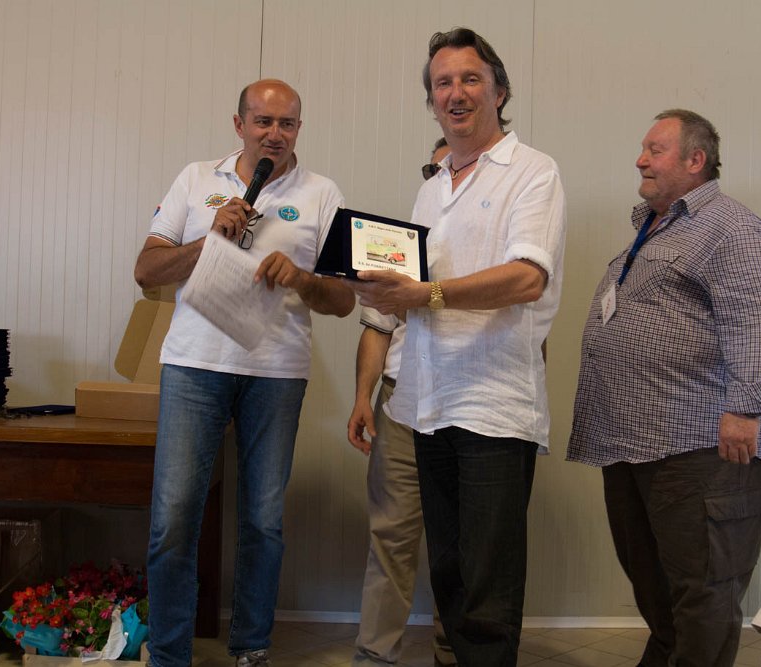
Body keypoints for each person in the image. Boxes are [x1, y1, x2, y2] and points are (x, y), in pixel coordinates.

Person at [350, 28, 567, 667]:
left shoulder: (534, 171)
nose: (456, 92)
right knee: (448, 578)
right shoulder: (433, 186)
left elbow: (527, 278)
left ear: (499, 91)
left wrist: (425, 294)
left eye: (471, 79)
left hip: (493, 407)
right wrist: (380, 289)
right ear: (432, 101)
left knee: (486, 589)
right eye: (442, 83)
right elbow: (411, 292)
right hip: (425, 404)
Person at [134, 79, 355, 667]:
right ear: (239, 125)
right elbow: (147, 269)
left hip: (276, 373)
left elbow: (343, 301)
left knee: (263, 520)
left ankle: (251, 647)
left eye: (287, 124)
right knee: (174, 518)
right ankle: (169, 655)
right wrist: (209, 239)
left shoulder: (322, 194)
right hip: (194, 366)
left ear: (299, 129)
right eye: (263, 121)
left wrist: (302, 278)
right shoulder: (195, 179)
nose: (274, 134)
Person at [566, 109, 761, 667]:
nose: (640, 160)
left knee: (704, 592)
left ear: (696, 160)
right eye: (643, 149)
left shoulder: (731, 227)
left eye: (655, 150)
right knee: (656, 588)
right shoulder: (655, 229)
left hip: (701, 447)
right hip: (634, 445)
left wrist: (746, 407)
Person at [348, 139, 455, 667]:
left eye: (450, 167)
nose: (441, 175)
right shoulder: (403, 244)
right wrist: (362, 397)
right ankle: (375, 655)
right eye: (433, 169)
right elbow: (377, 328)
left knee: (461, 543)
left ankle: (453, 652)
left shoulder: (498, 240)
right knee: (390, 534)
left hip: (468, 406)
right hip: (400, 403)